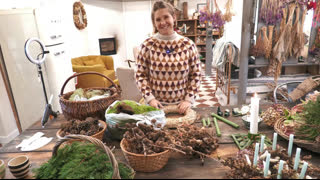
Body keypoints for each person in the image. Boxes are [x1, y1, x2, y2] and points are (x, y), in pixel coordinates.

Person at [135, 0, 201, 114]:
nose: (163, 22)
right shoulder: (147, 46)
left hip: (182, 107)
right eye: (158, 19)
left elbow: (196, 75)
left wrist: (188, 100)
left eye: (166, 17)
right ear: (154, 22)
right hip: (156, 106)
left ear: (174, 17)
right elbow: (140, 75)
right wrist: (150, 99)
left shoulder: (188, 45)